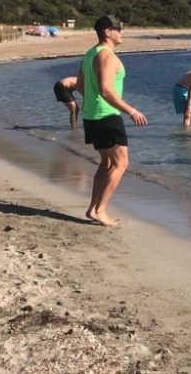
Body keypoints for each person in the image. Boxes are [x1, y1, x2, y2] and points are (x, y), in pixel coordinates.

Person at [76, 15, 148, 227]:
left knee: (107, 162)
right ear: (107, 32)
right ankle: (101, 210)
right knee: (121, 163)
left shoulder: (90, 54)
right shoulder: (106, 55)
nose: (122, 32)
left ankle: (93, 208)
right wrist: (131, 110)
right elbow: (107, 90)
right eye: (118, 29)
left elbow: (80, 85)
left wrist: (92, 101)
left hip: (92, 115)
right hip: (107, 116)